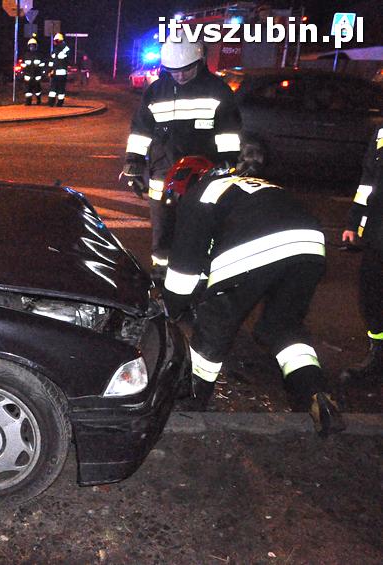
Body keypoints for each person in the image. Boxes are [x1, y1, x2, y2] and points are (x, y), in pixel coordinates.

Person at [161, 156, 345, 436]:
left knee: (214, 327)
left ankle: (190, 402)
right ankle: (315, 393)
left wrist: (170, 307)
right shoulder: (243, 185)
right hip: (310, 245)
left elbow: (183, 270)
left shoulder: (199, 195)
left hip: (257, 244)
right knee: (283, 328)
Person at [121, 37, 242, 279]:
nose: (180, 76)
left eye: (186, 70)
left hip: (203, 174)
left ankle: (198, 272)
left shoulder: (218, 90)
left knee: (198, 226)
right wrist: (133, 163)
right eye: (174, 71)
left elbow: (229, 132)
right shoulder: (156, 91)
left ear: (200, 61)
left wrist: (228, 163)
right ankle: (162, 271)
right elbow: (141, 130)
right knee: (163, 227)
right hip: (162, 174)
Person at [341, 127, 383, 380]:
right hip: (378, 230)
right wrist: (354, 223)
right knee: (371, 295)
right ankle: (377, 354)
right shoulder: (381, 133)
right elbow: (367, 182)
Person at [47, 33, 70, 107]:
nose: (54, 42)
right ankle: (57, 103)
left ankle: (53, 102)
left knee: (55, 88)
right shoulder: (57, 50)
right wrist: (50, 70)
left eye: (55, 41)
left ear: (58, 40)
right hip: (58, 73)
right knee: (59, 88)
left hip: (58, 73)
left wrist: (51, 70)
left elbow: (56, 61)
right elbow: (51, 61)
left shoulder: (62, 49)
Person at [20, 36, 44, 105]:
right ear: (28, 46)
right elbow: (23, 65)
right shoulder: (26, 55)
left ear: (36, 46)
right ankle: (28, 101)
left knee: (37, 89)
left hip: (36, 75)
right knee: (28, 90)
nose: (32, 47)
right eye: (31, 46)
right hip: (28, 75)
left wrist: (41, 74)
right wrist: (23, 73)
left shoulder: (39, 55)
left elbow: (42, 65)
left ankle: (38, 100)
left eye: (33, 46)